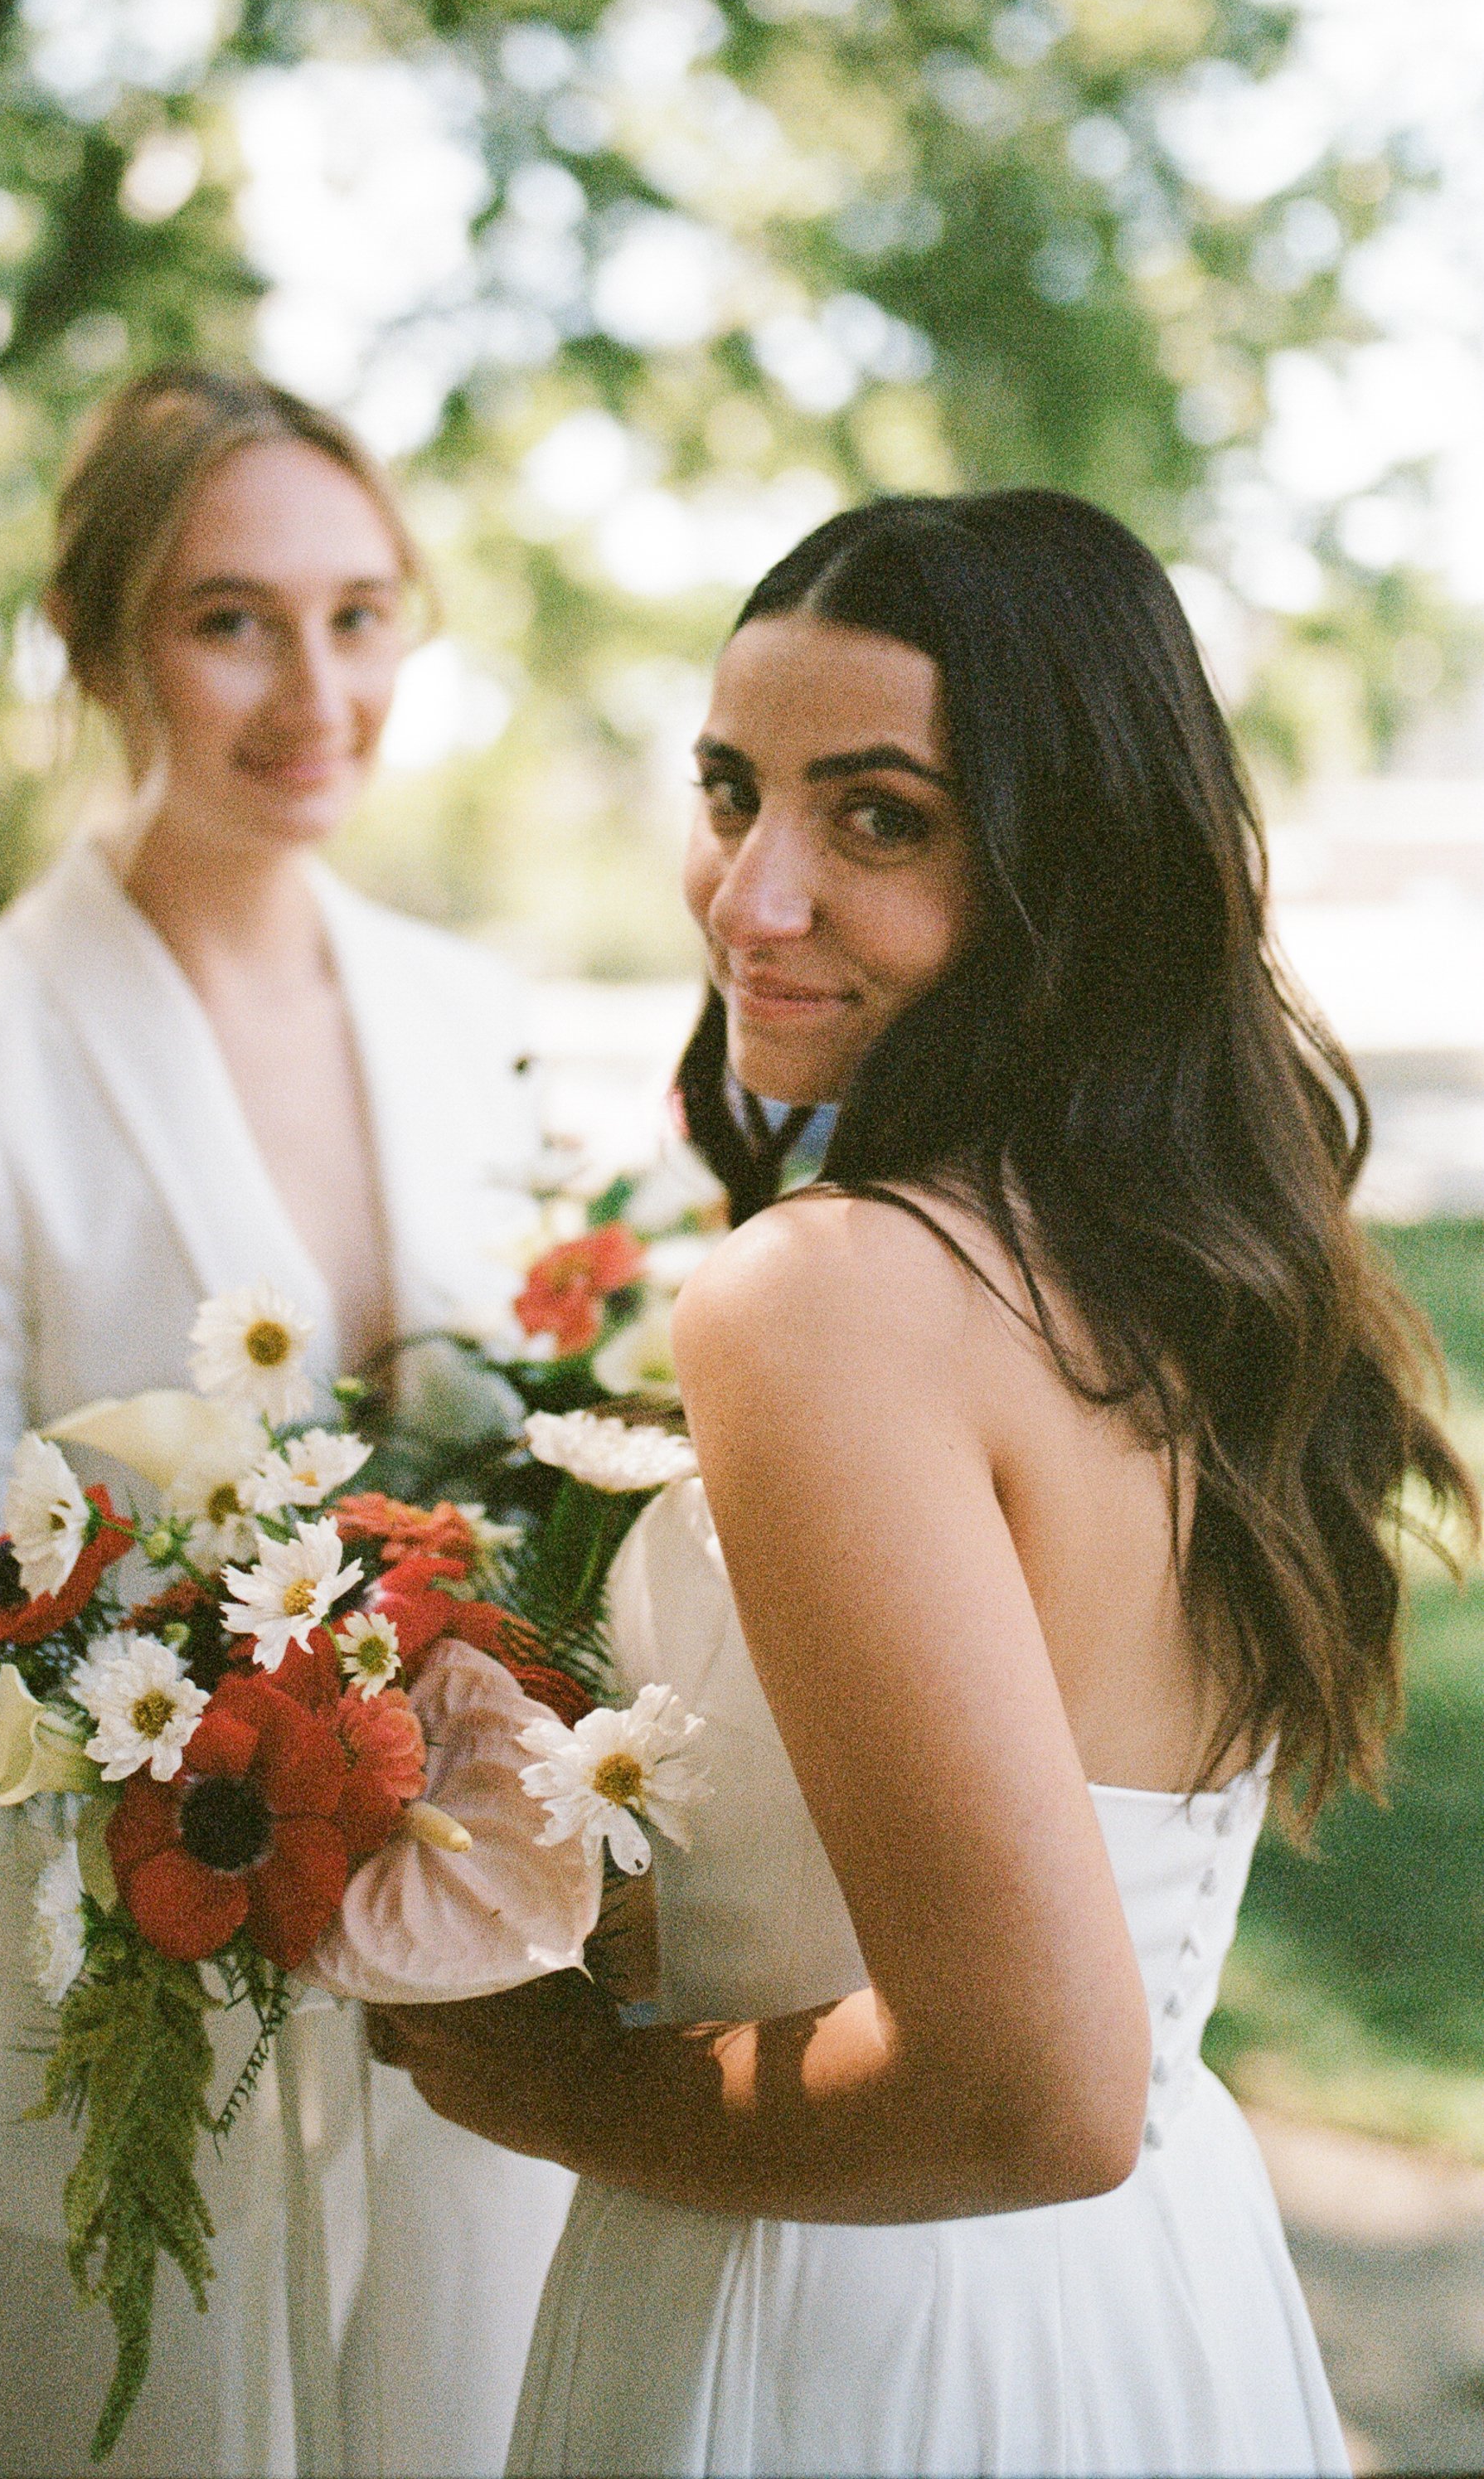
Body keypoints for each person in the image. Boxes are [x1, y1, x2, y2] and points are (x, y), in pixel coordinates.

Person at [375, 489, 1472, 2479]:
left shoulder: (828, 1296)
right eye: (733, 792)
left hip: (843, 2327)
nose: (751, 897)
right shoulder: (1187, 1263)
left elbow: (1032, 2090)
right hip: (1156, 2296)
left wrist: (548, 2091)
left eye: (878, 816)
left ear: (1081, 869)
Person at [0, 367, 575, 2479]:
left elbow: (542, 1470)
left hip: (475, 2022)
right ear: (94, 642)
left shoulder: (469, 1015)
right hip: (116, 2039)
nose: (314, 687)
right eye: (231, 617)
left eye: (360, 614)